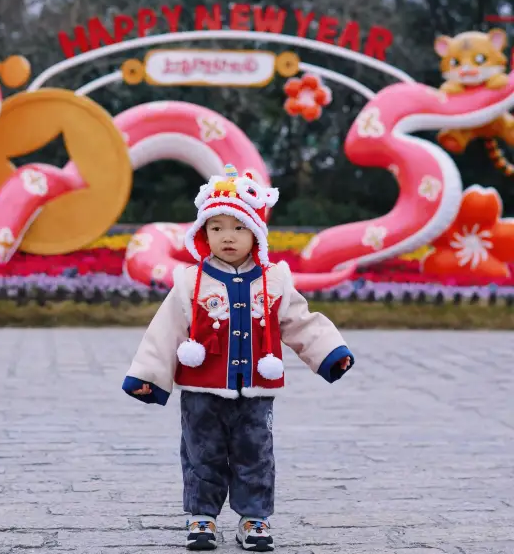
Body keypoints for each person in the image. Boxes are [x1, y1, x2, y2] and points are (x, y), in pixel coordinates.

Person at [122, 164, 354, 552]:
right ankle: (202, 517)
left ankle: (254, 518)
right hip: (201, 390)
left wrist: (329, 352)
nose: (227, 236)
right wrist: (148, 375)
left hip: (256, 391)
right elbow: (165, 331)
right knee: (201, 454)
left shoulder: (274, 280)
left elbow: (299, 321)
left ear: (256, 234)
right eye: (216, 228)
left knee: (256, 454)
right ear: (203, 234)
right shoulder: (190, 282)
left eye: (238, 227)